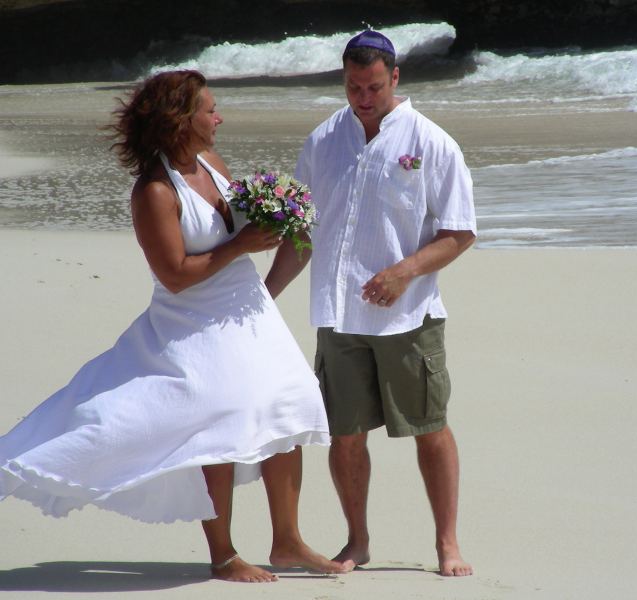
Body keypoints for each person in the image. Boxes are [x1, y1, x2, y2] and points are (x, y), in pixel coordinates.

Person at [0, 70, 345, 583]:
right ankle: (224, 554)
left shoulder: (212, 162)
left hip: (246, 310)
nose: (218, 116)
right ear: (181, 121)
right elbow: (175, 275)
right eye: (209, 109)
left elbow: (245, 227)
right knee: (216, 421)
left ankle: (288, 539)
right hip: (191, 320)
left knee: (288, 400)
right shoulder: (155, 192)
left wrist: (283, 217)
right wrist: (239, 247)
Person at [293, 30, 476, 577]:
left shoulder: (432, 141)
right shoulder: (323, 140)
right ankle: (357, 540)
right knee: (345, 436)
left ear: (395, 78)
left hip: (408, 317)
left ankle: (447, 543)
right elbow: (299, 226)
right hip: (337, 315)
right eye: (353, 86)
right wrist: (264, 289)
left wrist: (404, 272)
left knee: (429, 428)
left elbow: (459, 231)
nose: (363, 97)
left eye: (373, 86)